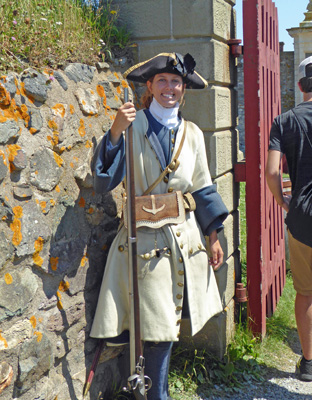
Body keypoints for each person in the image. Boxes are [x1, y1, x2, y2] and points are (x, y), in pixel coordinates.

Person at [90, 52, 229, 399]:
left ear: (184, 90)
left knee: (165, 326)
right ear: (150, 87)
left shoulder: (193, 134)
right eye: (163, 81)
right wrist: (115, 131)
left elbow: (203, 187)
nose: (170, 88)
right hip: (143, 244)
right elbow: (104, 180)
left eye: (176, 82)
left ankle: (153, 391)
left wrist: (215, 236)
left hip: (184, 241)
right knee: (156, 328)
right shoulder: (132, 125)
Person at [266, 56, 312, 382]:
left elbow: (271, 171)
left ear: (299, 85)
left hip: (302, 217)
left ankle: (308, 363)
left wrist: (282, 200)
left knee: (306, 293)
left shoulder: (284, 121)